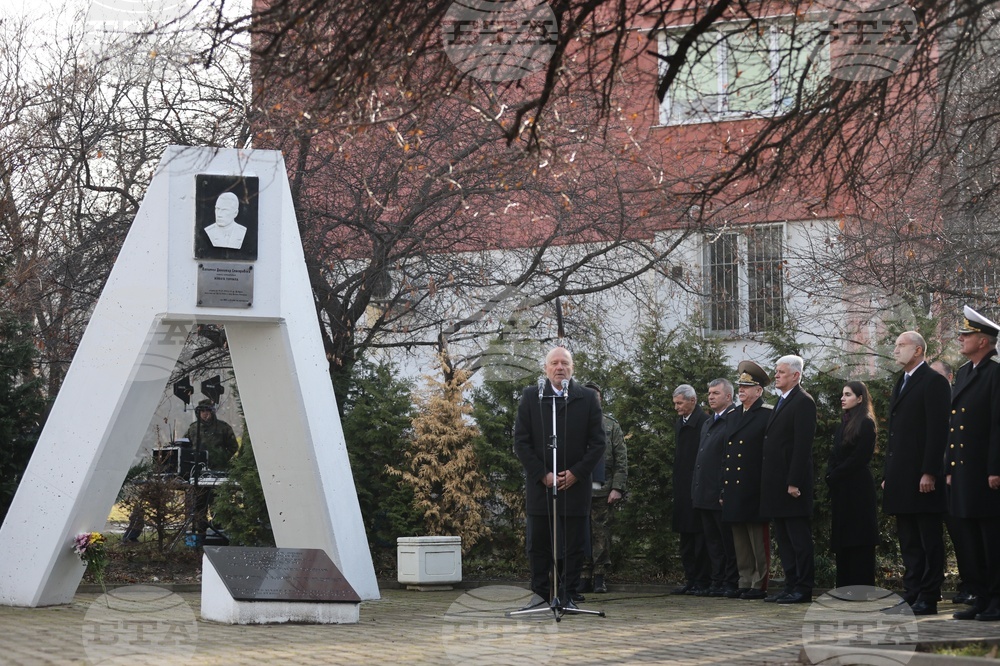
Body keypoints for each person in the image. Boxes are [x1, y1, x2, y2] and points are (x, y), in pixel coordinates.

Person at [513, 347, 606, 608]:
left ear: (572, 368)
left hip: (575, 486)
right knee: (538, 544)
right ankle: (541, 595)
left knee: (574, 545)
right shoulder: (532, 397)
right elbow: (521, 442)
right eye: (554, 363)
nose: (559, 367)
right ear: (546, 369)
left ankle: (566, 596)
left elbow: (598, 443)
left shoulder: (586, 398)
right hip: (541, 486)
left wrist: (577, 473)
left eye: (565, 363)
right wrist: (542, 474)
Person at [947, 306, 1000, 622]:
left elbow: (997, 424)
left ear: (983, 340)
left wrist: (996, 468)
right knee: (970, 538)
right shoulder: (965, 372)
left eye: (966, 335)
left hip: (986, 471)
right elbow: (953, 426)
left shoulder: (995, 374)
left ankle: (996, 598)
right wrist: (950, 467)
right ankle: (981, 597)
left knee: (991, 538)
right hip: (965, 471)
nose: (961, 339)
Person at [760, 354, 817, 604]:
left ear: (796, 375)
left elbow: (802, 446)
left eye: (781, 372)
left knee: (798, 539)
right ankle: (790, 585)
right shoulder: (782, 401)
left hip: (793, 485)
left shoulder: (803, 402)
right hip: (777, 484)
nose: (776, 375)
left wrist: (794, 481)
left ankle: (803, 588)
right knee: (783, 539)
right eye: (776, 371)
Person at [721, 361, 772, 600]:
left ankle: (759, 582)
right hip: (734, 485)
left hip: (754, 486)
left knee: (756, 538)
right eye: (740, 386)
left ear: (758, 391)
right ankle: (744, 579)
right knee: (739, 539)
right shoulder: (732, 415)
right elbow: (726, 453)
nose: (741, 390)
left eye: (747, 387)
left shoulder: (767, 414)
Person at [826, 381, 878, 588]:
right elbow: (835, 454)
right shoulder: (844, 423)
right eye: (842, 394)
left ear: (860, 398)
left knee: (859, 539)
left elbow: (859, 457)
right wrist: (830, 474)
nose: (842, 398)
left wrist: (836, 474)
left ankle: (861, 586)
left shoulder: (866, 422)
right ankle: (844, 586)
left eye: (848, 394)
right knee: (844, 538)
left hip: (858, 489)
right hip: (842, 488)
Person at [579, 382, 627, 595]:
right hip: (577, 489)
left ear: (600, 399)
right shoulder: (573, 423)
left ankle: (599, 577)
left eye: (595, 397)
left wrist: (617, 487)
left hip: (603, 489)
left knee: (601, 534)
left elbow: (621, 459)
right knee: (580, 534)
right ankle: (583, 576)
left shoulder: (610, 425)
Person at [691, 378, 738, 597]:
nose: (710, 397)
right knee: (712, 542)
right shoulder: (709, 422)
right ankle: (716, 581)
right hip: (703, 492)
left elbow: (728, 460)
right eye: (709, 393)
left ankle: (730, 582)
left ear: (728, 397)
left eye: (716, 393)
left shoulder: (733, 420)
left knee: (727, 542)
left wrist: (723, 490)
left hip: (720, 492)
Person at [671, 384, 711, 595]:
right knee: (685, 538)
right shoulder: (681, 423)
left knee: (699, 538)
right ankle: (690, 578)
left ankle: (702, 580)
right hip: (682, 488)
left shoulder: (704, 422)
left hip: (697, 487)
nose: (676, 407)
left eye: (680, 403)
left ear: (692, 401)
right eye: (675, 403)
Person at [184, 399, 239, 544]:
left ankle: (218, 534)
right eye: (202, 412)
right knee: (199, 504)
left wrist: (222, 458)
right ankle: (199, 536)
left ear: (212, 412)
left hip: (217, 473)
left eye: (207, 411)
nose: (205, 414)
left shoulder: (223, 428)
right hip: (198, 473)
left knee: (217, 503)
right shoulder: (193, 429)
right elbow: (184, 445)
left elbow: (233, 447)